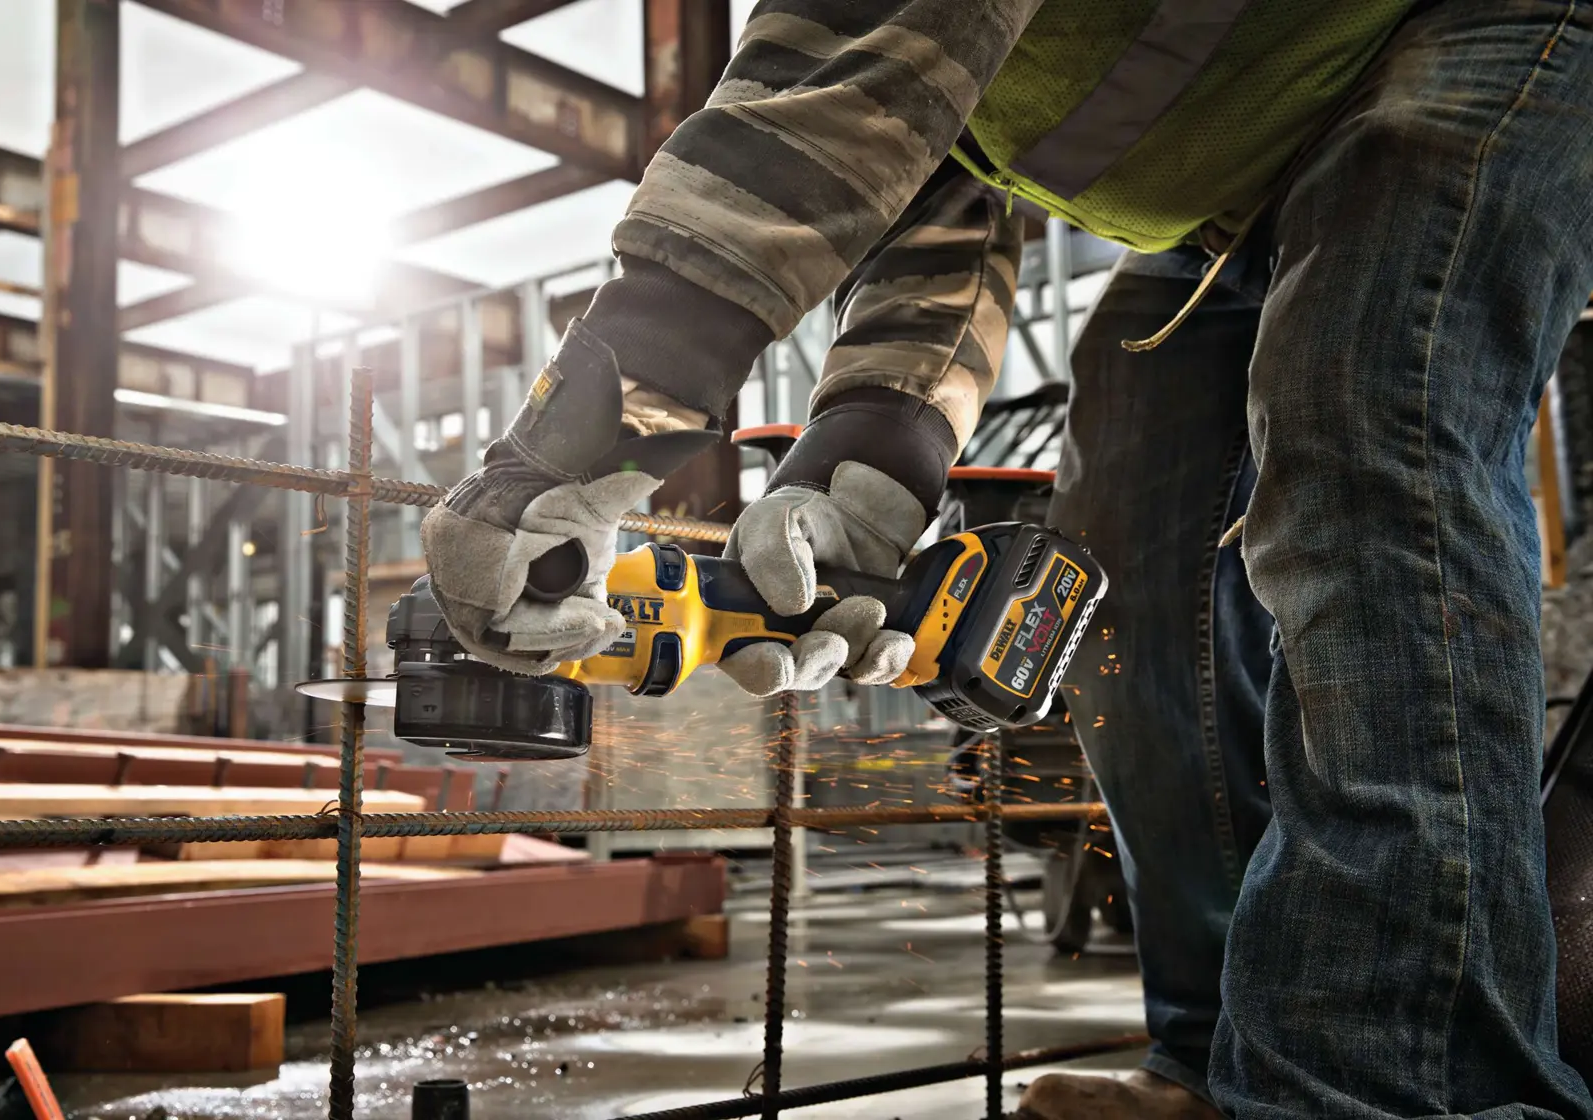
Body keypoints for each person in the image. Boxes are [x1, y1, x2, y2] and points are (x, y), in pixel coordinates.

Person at [421, 2, 1593, 1116]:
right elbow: (936, 176)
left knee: (1364, 395)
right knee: (1130, 487)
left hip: (1495, 33)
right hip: (1249, 174)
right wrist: (875, 448)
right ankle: (1214, 1061)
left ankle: (1407, 1086)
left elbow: (839, 75)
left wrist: (588, 433)